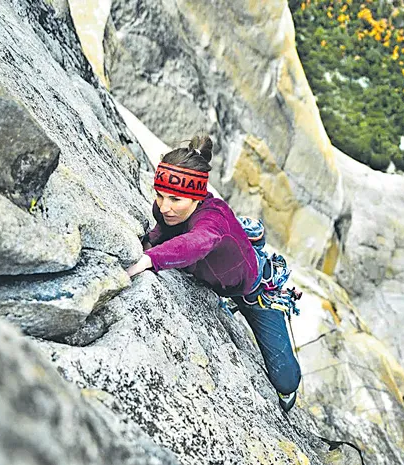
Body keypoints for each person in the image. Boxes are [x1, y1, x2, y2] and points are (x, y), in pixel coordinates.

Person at [125, 136, 301, 412]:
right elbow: (165, 227)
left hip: (254, 289)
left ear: (197, 197)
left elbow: (198, 242)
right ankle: (245, 241)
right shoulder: (169, 210)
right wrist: (152, 240)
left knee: (285, 379)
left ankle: (253, 246)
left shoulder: (213, 220)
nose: (164, 206)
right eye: (159, 195)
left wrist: (150, 258)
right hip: (222, 273)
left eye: (174, 198)